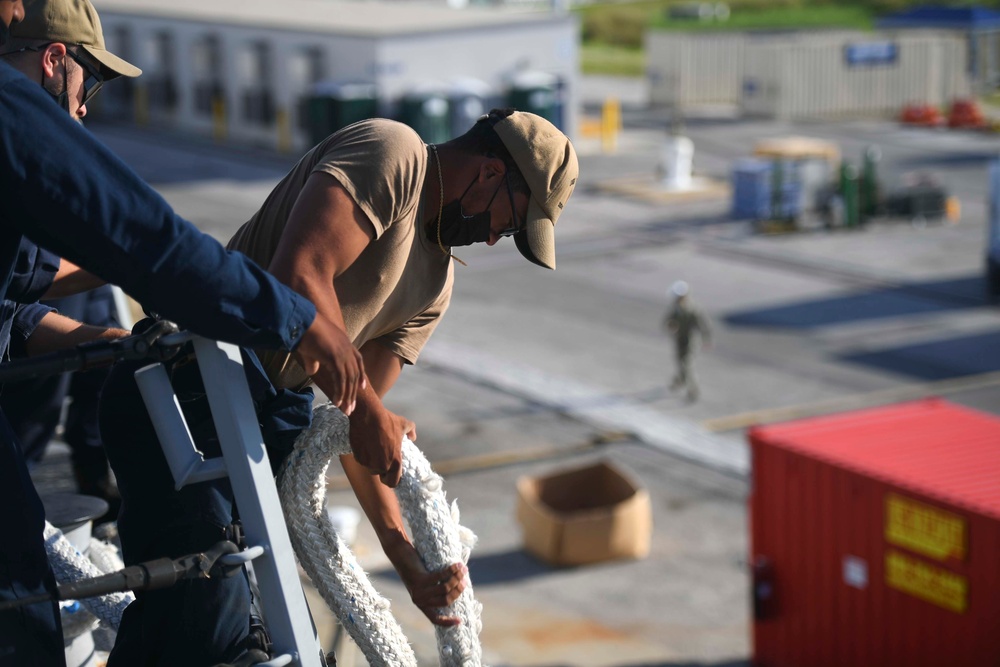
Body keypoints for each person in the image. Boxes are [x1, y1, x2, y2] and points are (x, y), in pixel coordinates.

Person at [98, 107, 579, 664]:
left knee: (268, 639)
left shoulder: (435, 287)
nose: (496, 239)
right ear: (492, 174)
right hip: (192, 391)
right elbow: (297, 275)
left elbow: (355, 429)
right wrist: (369, 410)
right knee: (213, 630)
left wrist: (407, 561)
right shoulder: (394, 153)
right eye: (512, 223)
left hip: (265, 425)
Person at [0, 0, 375, 663]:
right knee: (20, 609)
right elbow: (152, 241)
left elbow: (16, 304)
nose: (84, 108)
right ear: (56, 61)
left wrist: (106, 345)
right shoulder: (10, 109)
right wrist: (299, 319)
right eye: (91, 83)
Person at [662, 280, 711, 402]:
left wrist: (707, 339)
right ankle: (679, 381)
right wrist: (670, 326)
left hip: (691, 341)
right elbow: (667, 321)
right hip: (679, 339)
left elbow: (703, 325)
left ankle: (693, 390)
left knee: (687, 365)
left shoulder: (693, 309)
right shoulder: (675, 308)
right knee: (679, 361)